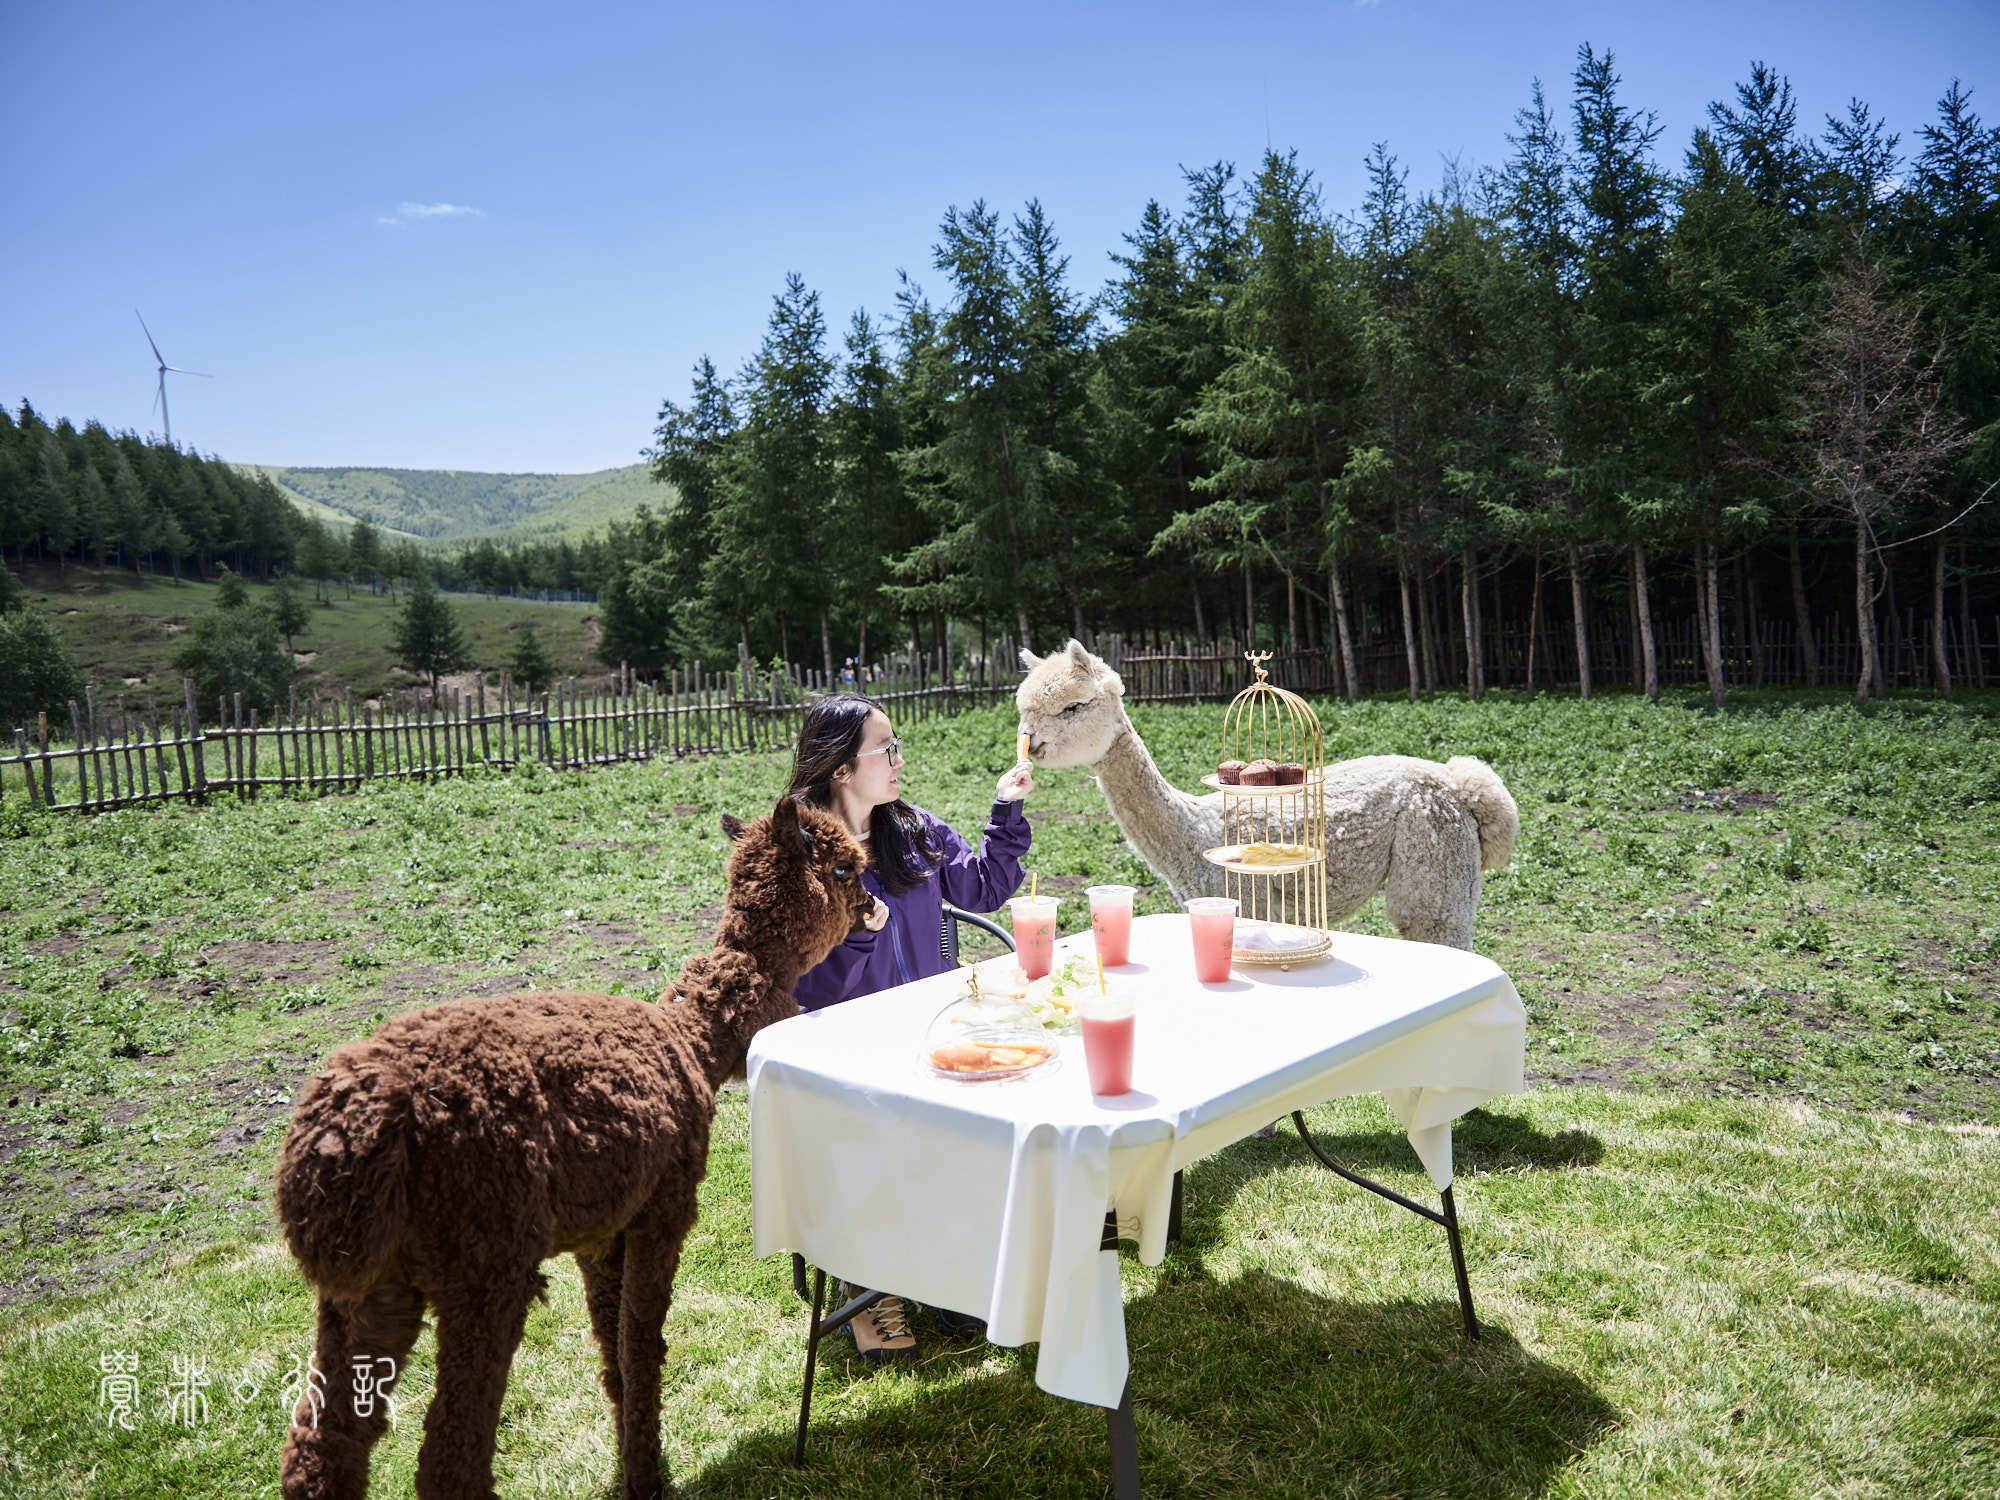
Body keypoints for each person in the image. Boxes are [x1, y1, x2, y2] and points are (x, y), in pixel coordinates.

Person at [787, 693, 1033, 1362]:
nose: (899, 760)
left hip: (928, 1032)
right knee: (872, 1138)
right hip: (843, 1046)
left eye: (897, 747)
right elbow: (812, 987)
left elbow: (980, 888)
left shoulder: (913, 829)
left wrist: (1005, 811)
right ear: (841, 768)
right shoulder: (800, 856)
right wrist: (864, 937)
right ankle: (868, 1283)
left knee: (979, 1115)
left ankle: (944, 1266)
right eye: (885, 750)